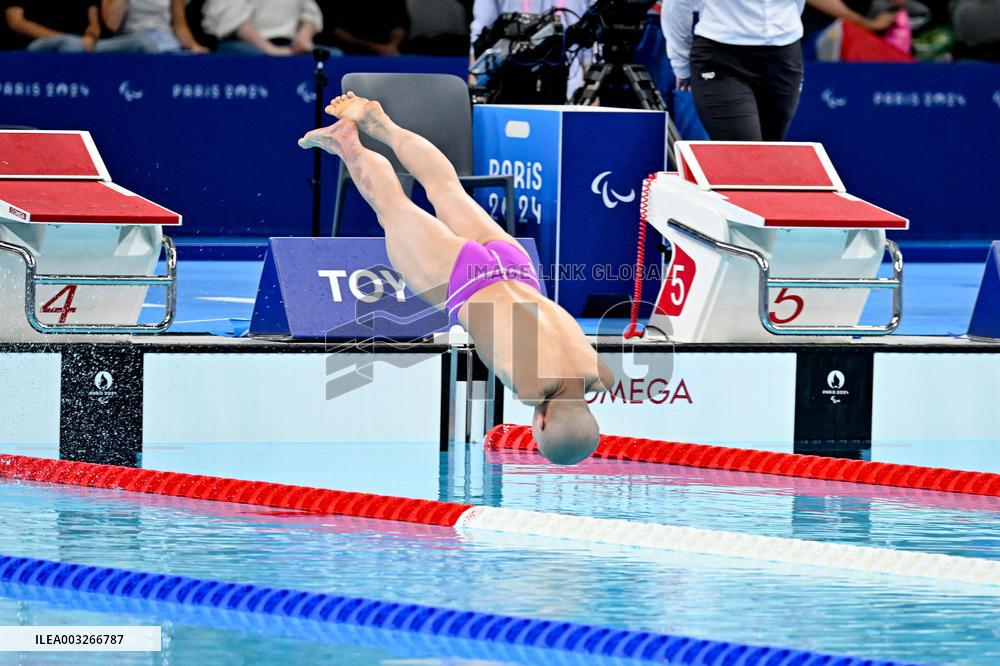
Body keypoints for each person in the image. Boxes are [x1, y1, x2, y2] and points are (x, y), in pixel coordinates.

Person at [299, 93, 614, 465]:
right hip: (466, 282)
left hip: (517, 268)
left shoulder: (601, 375)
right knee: (394, 208)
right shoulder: (531, 390)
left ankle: (382, 125)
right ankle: (347, 143)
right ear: (540, 421)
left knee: (445, 187)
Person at [663, 0, 897, 140]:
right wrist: (681, 62)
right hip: (722, 58)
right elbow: (676, 6)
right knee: (745, 156)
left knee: (770, 154)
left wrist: (782, 37)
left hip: (783, 57)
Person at [202, 0, 322, 56]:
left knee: (333, 55)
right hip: (242, 42)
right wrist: (271, 50)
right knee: (257, 57)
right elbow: (232, 17)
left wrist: (304, 35)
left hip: (288, 44)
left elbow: (310, 11)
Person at [100, 0, 209, 53]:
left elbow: (180, 26)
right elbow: (112, 25)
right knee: (145, 42)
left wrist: (195, 46)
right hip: (133, 40)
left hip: (165, 41)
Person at [3, 0, 101, 52]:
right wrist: (65, 39)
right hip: (39, 44)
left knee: (116, 46)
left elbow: (94, 23)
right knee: (71, 46)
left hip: (84, 43)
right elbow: (16, 23)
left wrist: (90, 37)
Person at [316, 1, 409, 55]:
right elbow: (334, 29)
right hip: (348, 46)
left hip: (388, 48)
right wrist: (374, 47)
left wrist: (392, 45)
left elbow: (399, 24)